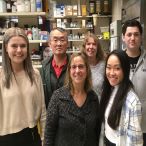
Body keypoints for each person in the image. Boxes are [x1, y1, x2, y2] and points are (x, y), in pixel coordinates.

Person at [0, 27, 46, 146]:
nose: (19, 50)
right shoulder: (1, 77)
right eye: (14, 46)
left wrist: (45, 137)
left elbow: (42, 110)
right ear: (6, 48)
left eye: (23, 46)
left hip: (31, 136)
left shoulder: (35, 74)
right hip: (6, 139)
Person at [44, 53, 100, 146]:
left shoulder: (93, 98)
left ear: (87, 70)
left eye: (81, 66)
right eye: (74, 67)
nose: (77, 70)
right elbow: (49, 132)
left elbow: (97, 131)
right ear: (69, 71)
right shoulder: (58, 97)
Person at [99, 50, 143, 146]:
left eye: (117, 68)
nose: (112, 73)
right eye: (109, 67)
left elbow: (135, 142)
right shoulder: (107, 90)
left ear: (125, 70)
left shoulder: (132, 101)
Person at [122, 19, 146, 145]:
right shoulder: (117, 60)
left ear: (141, 37)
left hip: (144, 124)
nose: (133, 38)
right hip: (122, 123)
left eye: (136, 34)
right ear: (123, 37)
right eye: (129, 34)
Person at [40, 27, 69, 108]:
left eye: (62, 40)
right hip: (49, 115)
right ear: (49, 43)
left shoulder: (74, 66)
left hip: (70, 117)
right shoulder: (43, 67)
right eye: (55, 40)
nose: (59, 44)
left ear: (67, 43)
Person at [81, 33, 105, 100]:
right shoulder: (80, 65)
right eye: (88, 44)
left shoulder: (104, 65)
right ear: (84, 47)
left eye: (94, 44)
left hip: (99, 105)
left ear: (98, 47)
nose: (91, 47)